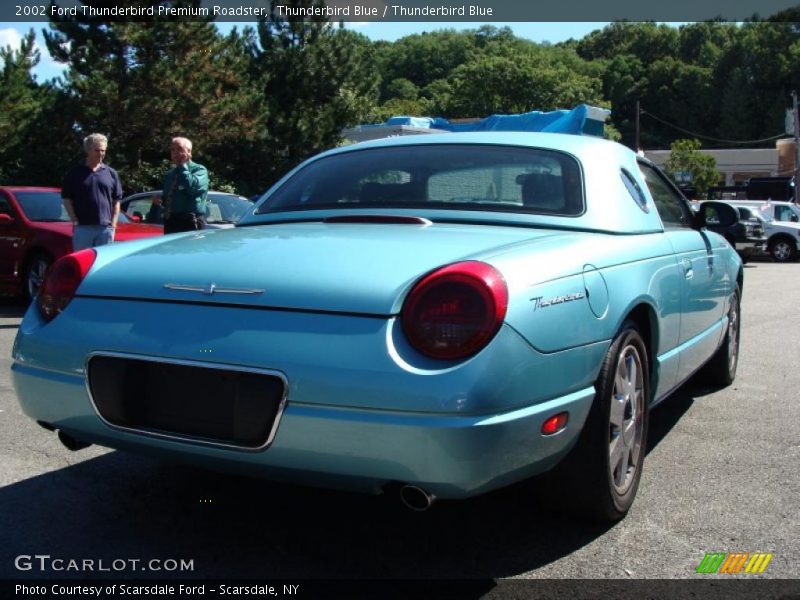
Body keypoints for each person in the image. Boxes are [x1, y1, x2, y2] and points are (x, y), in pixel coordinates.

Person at [62, 133, 123, 251]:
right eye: (97, 150)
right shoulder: (74, 173)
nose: (101, 154)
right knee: (83, 264)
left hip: (105, 229)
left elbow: (117, 201)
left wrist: (113, 225)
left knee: (102, 265)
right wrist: (75, 221)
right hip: (83, 228)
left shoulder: (111, 173)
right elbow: (66, 199)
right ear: (88, 150)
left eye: (103, 150)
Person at [153, 137, 209, 234]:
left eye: (179, 149)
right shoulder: (170, 174)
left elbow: (192, 188)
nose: (175, 153)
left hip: (191, 221)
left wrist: (183, 166)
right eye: (172, 150)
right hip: (171, 222)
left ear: (189, 152)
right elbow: (167, 200)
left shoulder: (199, 170)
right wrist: (158, 203)